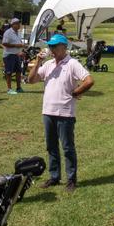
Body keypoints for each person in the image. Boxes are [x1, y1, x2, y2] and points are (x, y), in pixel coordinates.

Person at [26, 34, 94, 192]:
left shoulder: (72, 64)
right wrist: (38, 62)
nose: (52, 49)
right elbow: (31, 80)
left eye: (55, 46)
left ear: (64, 47)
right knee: (51, 146)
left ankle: (71, 179)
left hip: (65, 113)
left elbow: (89, 80)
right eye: (50, 46)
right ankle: (54, 176)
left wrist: (77, 92)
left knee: (67, 147)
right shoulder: (48, 64)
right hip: (48, 112)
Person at [0, 17, 27, 95]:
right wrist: (16, 45)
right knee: (9, 72)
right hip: (8, 55)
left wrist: (22, 49)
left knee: (19, 71)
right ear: (13, 24)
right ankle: (9, 89)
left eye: (19, 23)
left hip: (16, 55)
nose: (19, 25)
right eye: (17, 23)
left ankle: (18, 88)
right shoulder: (7, 32)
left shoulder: (18, 33)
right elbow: (4, 43)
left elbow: (19, 44)